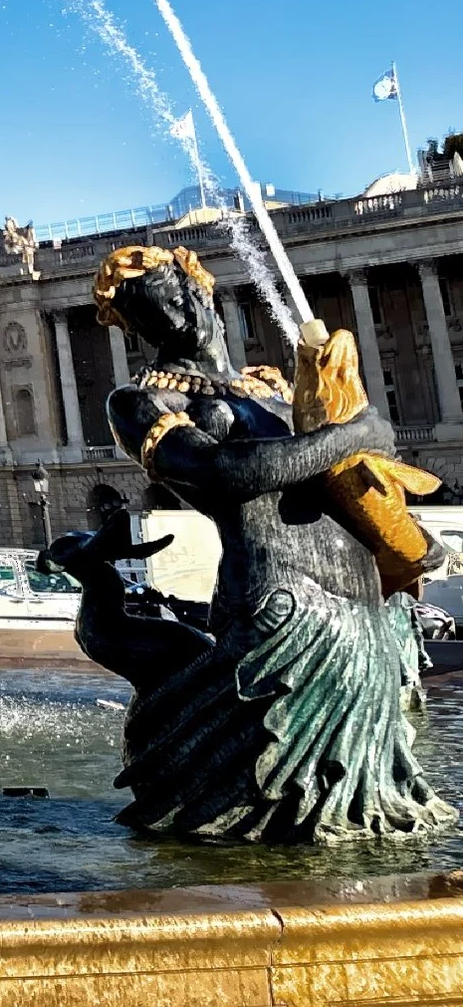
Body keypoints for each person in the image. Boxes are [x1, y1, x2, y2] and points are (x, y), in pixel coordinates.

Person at [89, 243, 452, 842]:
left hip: (365, 609)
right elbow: (228, 473)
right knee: (281, 804)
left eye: (180, 291)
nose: (178, 310)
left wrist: (349, 408)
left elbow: (360, 455)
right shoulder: (140, 402)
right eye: (149, 309)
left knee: (367, 813)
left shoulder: (272, 383)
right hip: (282, 607)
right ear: (134, 326)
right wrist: (351, 433)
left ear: (202, 286)